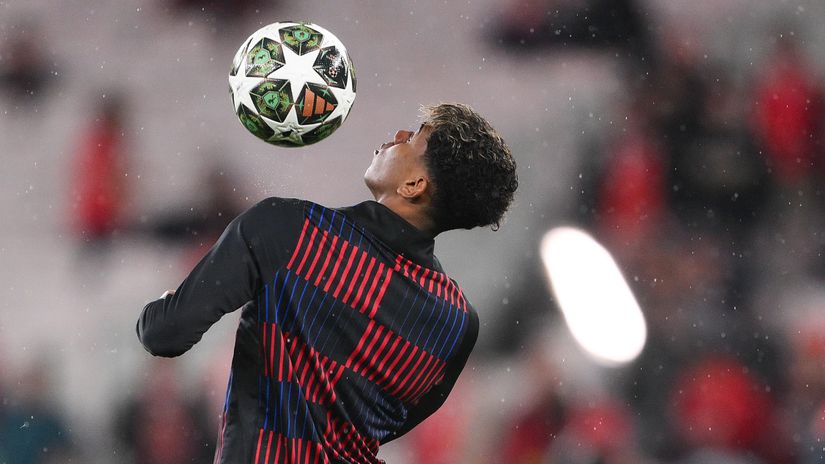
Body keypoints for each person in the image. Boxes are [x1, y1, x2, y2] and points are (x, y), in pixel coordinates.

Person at [136, 103, 518, 463]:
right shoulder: (457, 324)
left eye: (414, 137)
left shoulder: (287, 231)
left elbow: (164, 333)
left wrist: (167, 302)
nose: (398, 135)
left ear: (414, 184)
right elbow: (389, 425)